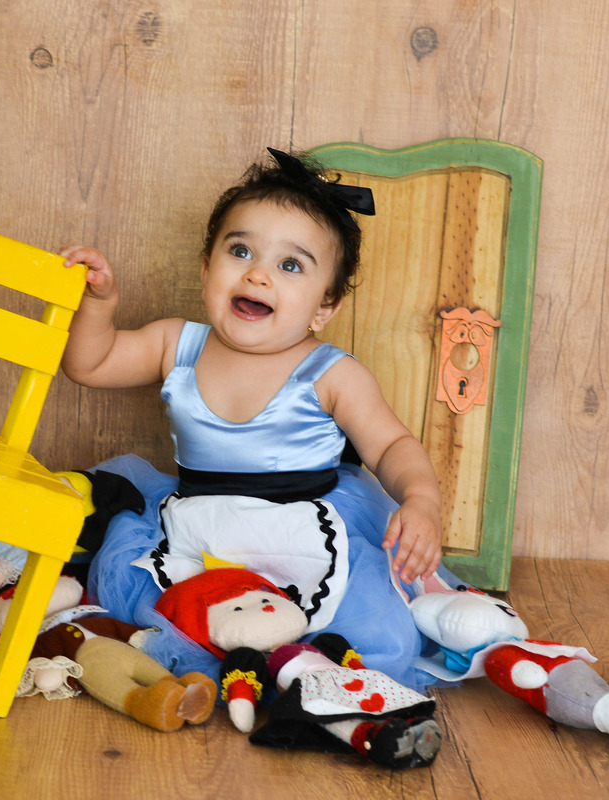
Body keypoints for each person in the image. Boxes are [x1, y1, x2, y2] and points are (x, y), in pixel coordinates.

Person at [60, 148, 459, 689]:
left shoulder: (330, 374)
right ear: (206, 269)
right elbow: (90, 364)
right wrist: (99, 304)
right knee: (156, 605)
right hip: (206, 528)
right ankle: (234, 666)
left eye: (290, 265)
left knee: (366, 627)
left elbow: (390, 446)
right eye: (240, 250)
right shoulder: (177, 344)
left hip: (301, 529)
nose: (258, 274)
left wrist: (421, 500)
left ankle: (306, 670)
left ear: (324, 307)